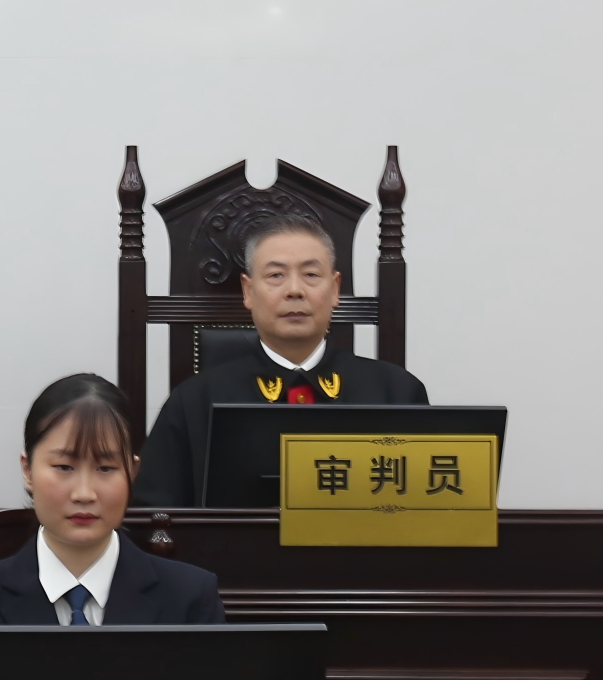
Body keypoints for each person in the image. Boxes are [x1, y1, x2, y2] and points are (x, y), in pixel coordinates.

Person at [134, 214, 428, 509]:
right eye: (276, 275)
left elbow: (427, 507)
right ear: (248, 291)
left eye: (311, 274)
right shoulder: (194, 401)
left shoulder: (397, 392)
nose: (294, 290)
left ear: (335, 289)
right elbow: (154, 517)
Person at [0, 373, 225, 625]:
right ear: (27, 470)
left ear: (132, 472)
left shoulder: (189, 597)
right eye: (64, 467)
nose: (85, 494)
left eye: (106, 468)